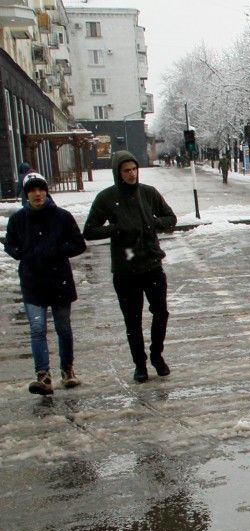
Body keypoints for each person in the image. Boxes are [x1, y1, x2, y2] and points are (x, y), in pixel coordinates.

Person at [83, 150, 178, 382]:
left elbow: (170, 219)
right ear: (118, 173)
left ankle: (157, 355)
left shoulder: (148, 193)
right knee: (132, 320)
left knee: (161, 312)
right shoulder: (107, 198)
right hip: (125, 271)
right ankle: (140, 364)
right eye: (126, 171)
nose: (131, 174)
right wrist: (115, 228)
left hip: (152, 265)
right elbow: (89, 230)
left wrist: (154, 223)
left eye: (134, 169)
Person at [4, 173, 87, 394]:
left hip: (59, 280)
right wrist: (19, 252)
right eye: (32, 190)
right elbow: (10, 244)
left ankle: (67, 370)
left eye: (41, 189)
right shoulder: (18, 219)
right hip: (32, 282)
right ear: (26, 194)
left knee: (63, 328)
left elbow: (79, 244)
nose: (37, 194)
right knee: (37, 328)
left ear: (46, 191)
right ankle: (43, 376)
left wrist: (57, 251)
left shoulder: (62, 217)